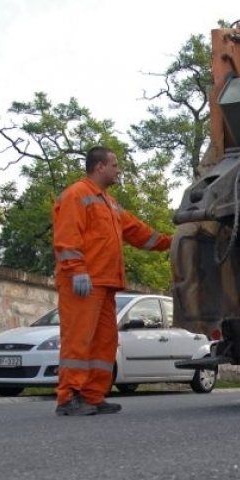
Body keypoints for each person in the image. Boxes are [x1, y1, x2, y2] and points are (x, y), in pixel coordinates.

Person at [52, 146, 172, 416]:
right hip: (83, 281)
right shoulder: (77, 195)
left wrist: (173, 242)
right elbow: (67, 237)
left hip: (104, 283)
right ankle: (69, 397)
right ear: (99, 167)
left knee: (105, 341)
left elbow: (140, 233)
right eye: (114, 165)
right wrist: (76, 269)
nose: (118, 170)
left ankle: (92, 396)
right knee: (78, 340)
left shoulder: (110, 203)